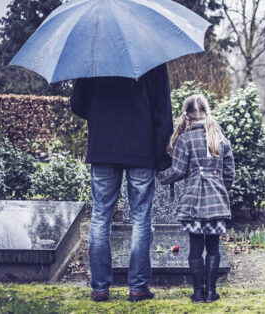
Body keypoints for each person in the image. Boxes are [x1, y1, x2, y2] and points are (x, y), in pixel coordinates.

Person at [70, 64, 173, 302]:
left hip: (103, 146)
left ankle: (99, 288)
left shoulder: (93, 57)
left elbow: (77, 104)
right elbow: (162, 112)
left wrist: (101, 115)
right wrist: (162, 159)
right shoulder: (153, 59)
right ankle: (138, 287)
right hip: (141, 149)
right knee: (140, 218)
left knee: (100, 216)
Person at [157, 95, 234, 303]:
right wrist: (218, 191)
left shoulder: (184, 139)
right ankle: (211, 292)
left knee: (195, 248)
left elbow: (178, 171)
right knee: (214, 247)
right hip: (216, 201)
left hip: (193, 202)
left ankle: (198, 293)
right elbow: (229, 174)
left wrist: (161, 176)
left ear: (187, 116)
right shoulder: (220, 138)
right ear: (206, 113)